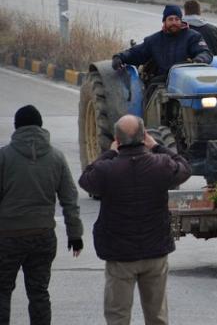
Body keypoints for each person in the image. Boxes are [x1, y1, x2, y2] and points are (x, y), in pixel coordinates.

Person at [78, 115, 192, 325]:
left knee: (118, 316)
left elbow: (86, 178)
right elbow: (184, 166)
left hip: (120, 255)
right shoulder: (161, 165)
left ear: (117, 139)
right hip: (155, 253)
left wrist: (110, 152)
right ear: (144, 137)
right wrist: (157, 147)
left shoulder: (107, 170)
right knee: (157, 316)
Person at [0, 105, 83, 325]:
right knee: (39, 293)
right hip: (43, 236)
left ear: (16, 127)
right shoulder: (56, 157)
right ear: (40, 126)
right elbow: (69, 198)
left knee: (2, 292)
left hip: (7, 237)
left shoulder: (4, 157)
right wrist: (75, 235)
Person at [111, 5, 213, 100]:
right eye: (170, 19)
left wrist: (199, 60)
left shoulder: (193, 37)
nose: (174, 22)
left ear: (181, 21)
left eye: (177, 19)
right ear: (164, 21)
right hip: (163, 81)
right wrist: (120, 57)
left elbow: (205, 52)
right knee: (150, 95)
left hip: (187, 80)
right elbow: (136, 53)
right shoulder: (154, 40)